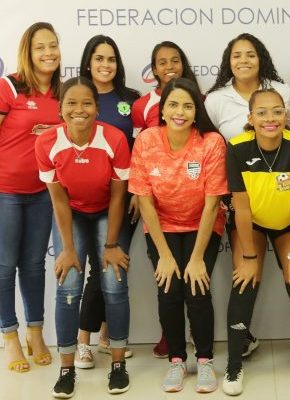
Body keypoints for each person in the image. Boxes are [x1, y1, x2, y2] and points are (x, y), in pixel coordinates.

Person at [223, 88, 290, 396]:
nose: (271, 118)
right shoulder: (237, 147)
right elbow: (240, 207)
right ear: (251, 118)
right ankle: (233, 365)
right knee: (245, 279)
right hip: (250, 222)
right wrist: (250, 257)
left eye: (277, 111)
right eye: (263, 113)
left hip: (286, 224)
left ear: (286, 115)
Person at [129, 77, 227, 394]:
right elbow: (144, 200)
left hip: (203, 225)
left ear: (196, 111)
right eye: (173, 104)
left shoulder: (211, 142)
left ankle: (205, 360)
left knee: (197, 290)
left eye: (187, 105)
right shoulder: (146, 140)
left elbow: (213, 203)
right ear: (163, 109)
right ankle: (176, 360)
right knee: (169, 289)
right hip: (162, 227)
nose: (180, 111)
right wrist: (166, 256)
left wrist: (197, 257)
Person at [35, 77, 132, 397]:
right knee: (68, 286)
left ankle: (118, 364)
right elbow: (59, 200)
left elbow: (119, 196)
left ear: (97, 107)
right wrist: (66, 249)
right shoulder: (47, 143)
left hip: (107, 211)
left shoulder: (114, 139)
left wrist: (112, 244)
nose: (80, 110)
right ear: (60, 109)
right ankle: (66, 369)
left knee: (114, 283)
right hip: (72, 213)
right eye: (72, 103)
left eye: (87, 103)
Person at [205, 32, 290, 358]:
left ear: (261, 58)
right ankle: (241, 339)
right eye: (237, 55)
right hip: (240, 198)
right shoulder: (215, 99)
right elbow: (211, 149)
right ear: (229, 62)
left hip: (282, 197)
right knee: (245, 270)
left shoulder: (280, 91)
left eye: (250, 54)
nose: (243, 60)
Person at [130, 40, 201, 358]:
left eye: (175, 59)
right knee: (167, 279)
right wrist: (138, 192)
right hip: (155, 200)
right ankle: (170, 337)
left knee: (197, 283)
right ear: (153, 68)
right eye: (161, 61)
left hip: (197, 204)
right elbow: (138, 150)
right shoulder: (143, 105)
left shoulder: (200, 98)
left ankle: (199, 344)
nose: (169, 66)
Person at [74, 34, 140, 369]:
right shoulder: (74, 96)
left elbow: (141, 150)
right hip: (79, 201)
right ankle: (82, 341)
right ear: (88, 62)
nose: (105, 65)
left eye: (111, 59)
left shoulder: (131, 98)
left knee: (111, 268)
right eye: (99, 58)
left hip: (121, 198)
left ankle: (106, 337)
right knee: (88, 272)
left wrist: (139, 193)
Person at [0, 21, 61, 373]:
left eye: (52, 45)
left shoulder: (61, 91)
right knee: (5, 267)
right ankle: (10, 336)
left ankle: (35, 333)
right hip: (6, 191)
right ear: (28, 51)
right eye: (40, 47)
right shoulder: (9, 87)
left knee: (35, 266)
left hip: (43, 192)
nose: (48, 53)